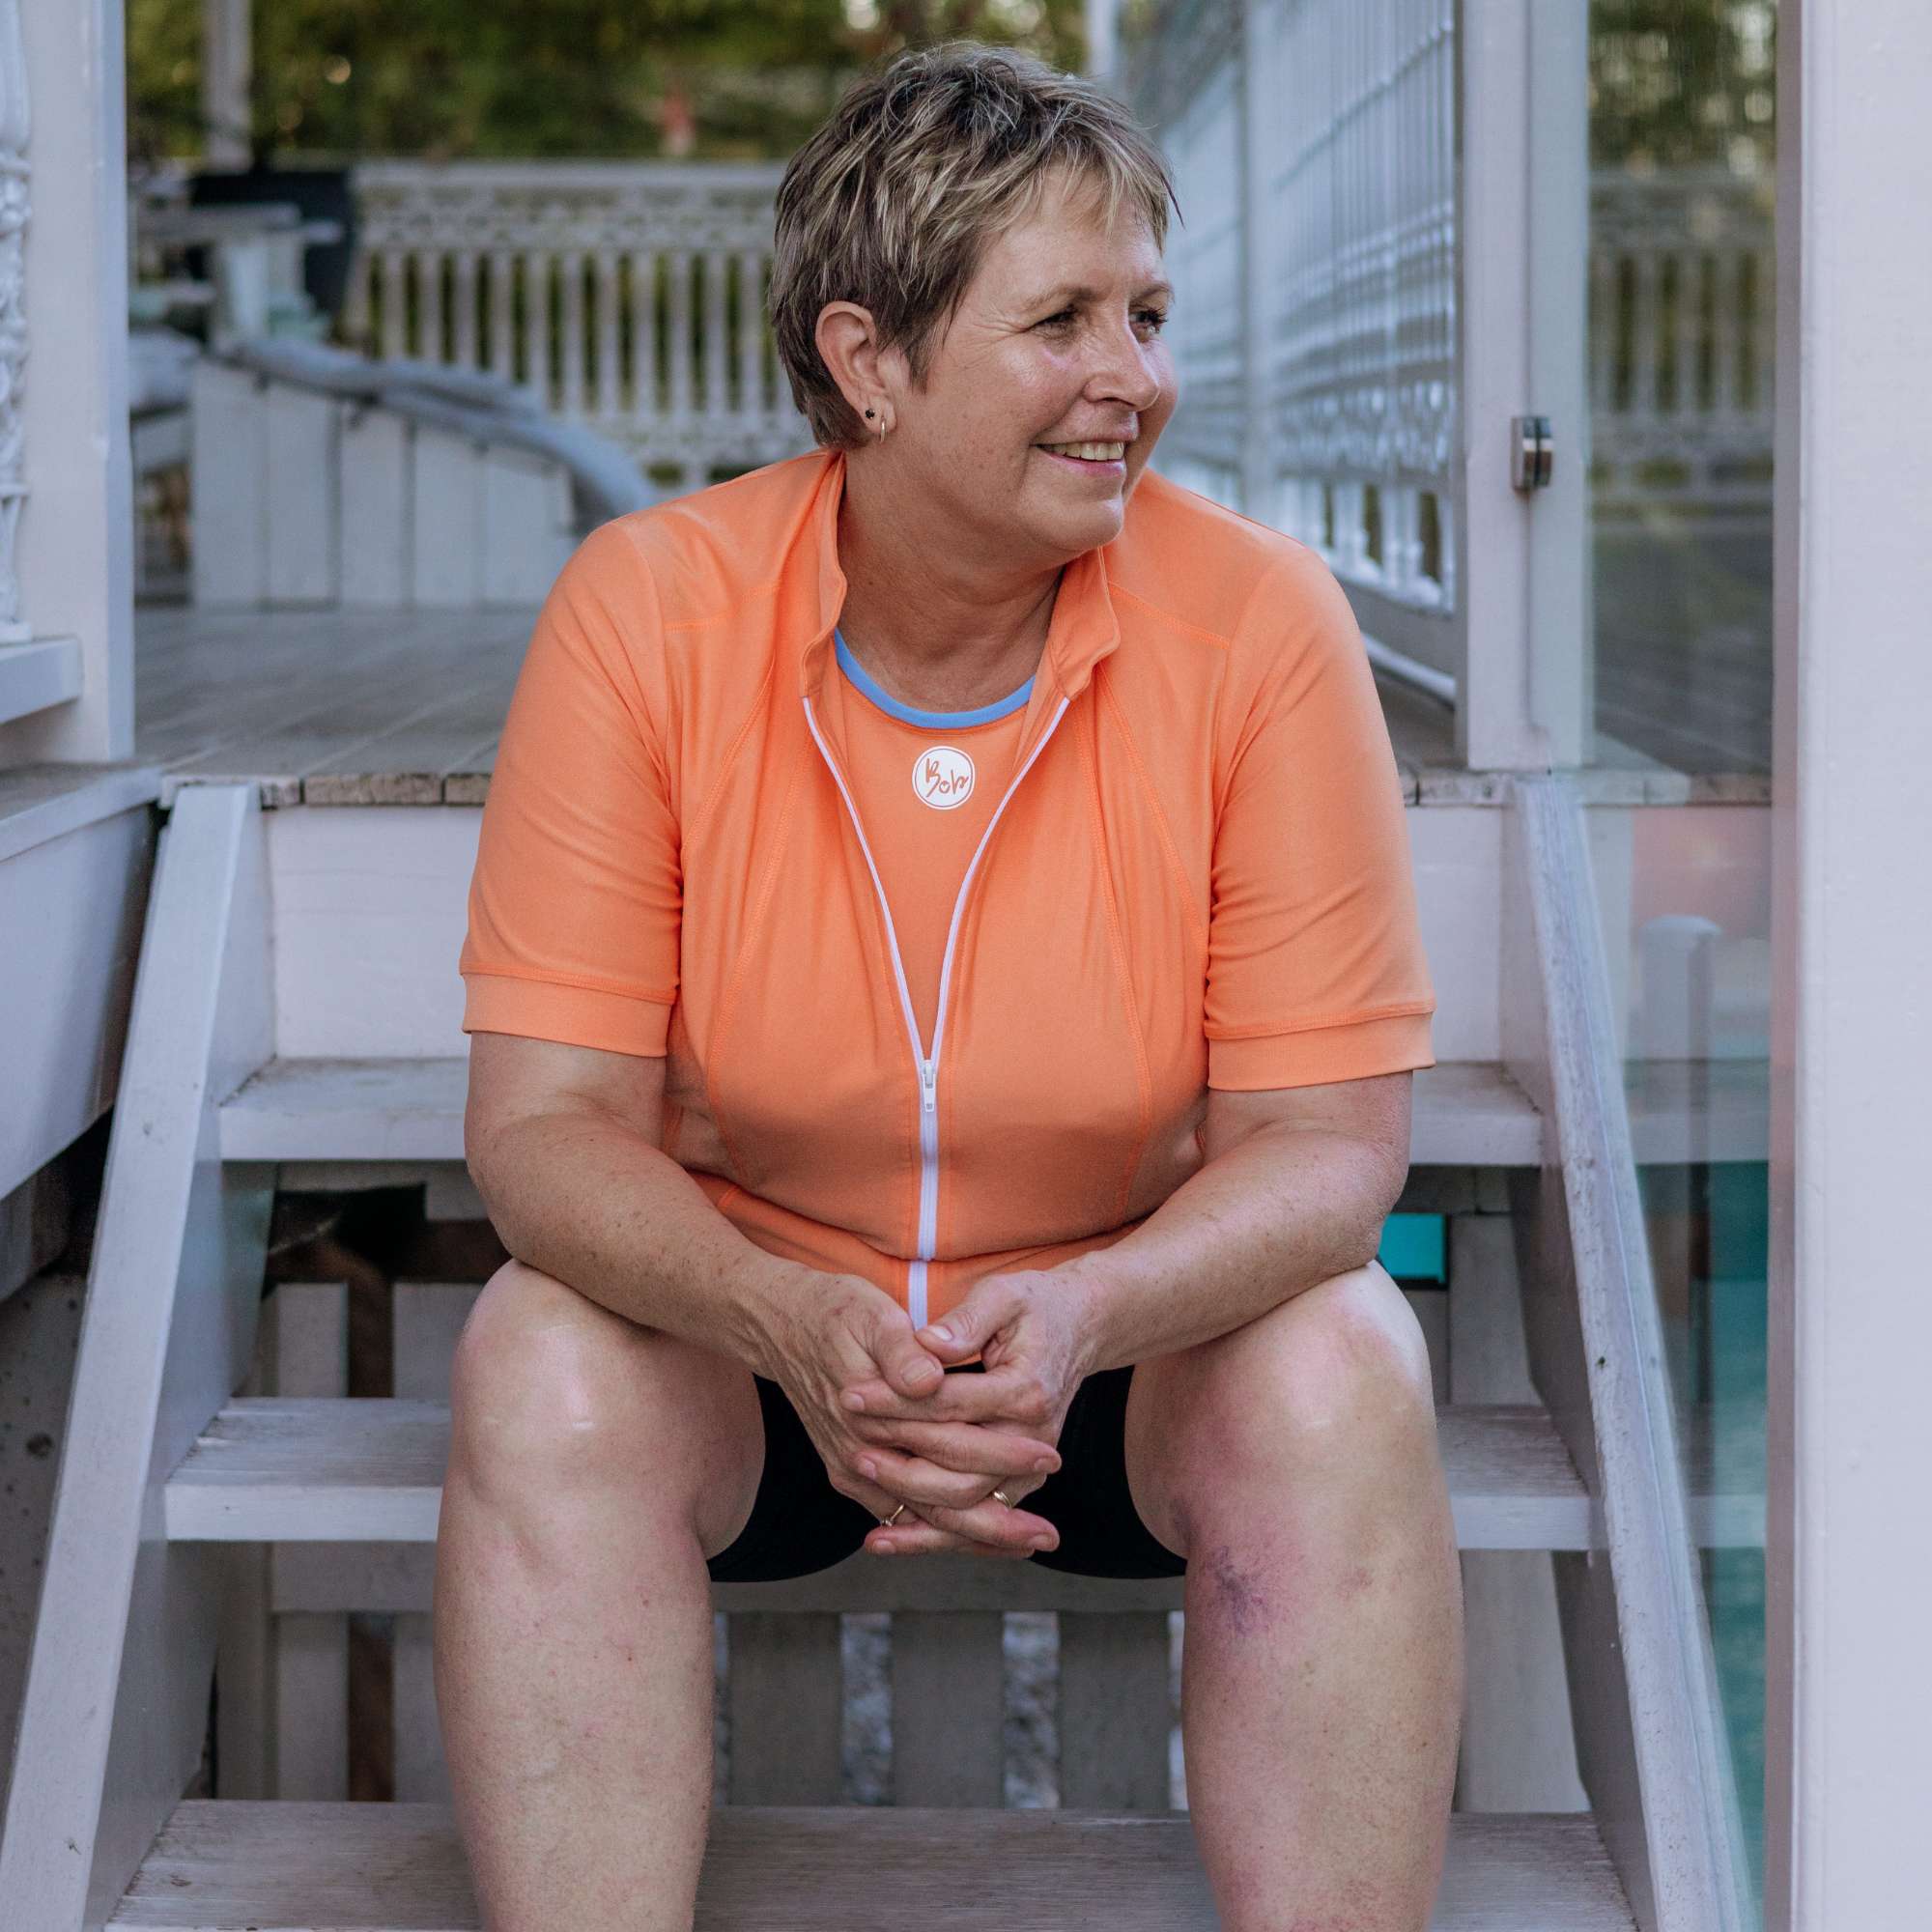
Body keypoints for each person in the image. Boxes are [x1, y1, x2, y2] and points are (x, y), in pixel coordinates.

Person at [439, 39, 1464, 1932]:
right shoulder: (646, 608)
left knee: (1342, 1363)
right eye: (1061, 320)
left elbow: (1327, 1150)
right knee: (539, 1357)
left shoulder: (1259, 624)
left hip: (1125, 1354)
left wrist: (1089, 1302)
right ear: (869, 359)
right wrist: (782, 1310)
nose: (1134, 383)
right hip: (756, 1356)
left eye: (1146, 315)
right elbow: (542, 1130)